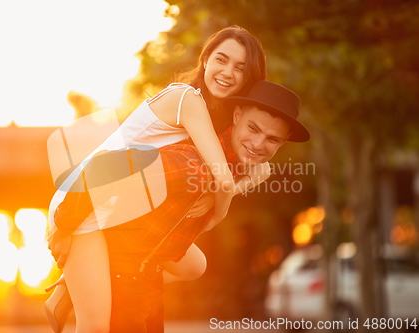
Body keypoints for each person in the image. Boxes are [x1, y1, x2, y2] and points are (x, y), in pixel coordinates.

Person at [46, 26, 269, 333]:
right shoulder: (187, 99)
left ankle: (83, 283)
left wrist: (225, 188)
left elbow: (236, 180)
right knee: (95, 324)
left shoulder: (214, 122)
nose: (227, 72)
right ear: (205, 60)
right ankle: (83, 286)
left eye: (240, 68)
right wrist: (227, 200)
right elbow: (224, 181)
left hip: (120, 211)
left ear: (248, 78)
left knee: (194, 265)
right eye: (221, 59)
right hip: (86, 198)